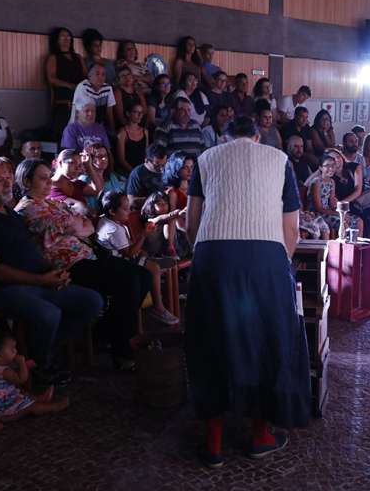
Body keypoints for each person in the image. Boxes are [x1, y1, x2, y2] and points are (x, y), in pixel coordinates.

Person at [185, 116, 310, 467]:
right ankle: (260, 435)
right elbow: (292, 228)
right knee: (267, 338)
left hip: (213, 254)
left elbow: (191, 221)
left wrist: (205, 256)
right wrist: (280, 266)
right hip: (265, 256)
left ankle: (212, 443)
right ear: (257, 137)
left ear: (224, 138)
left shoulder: (207, 158)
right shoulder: (279, 160)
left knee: (210, 339)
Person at [0, 159, 103, 381]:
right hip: (0, 288)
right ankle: (40, 367)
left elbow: (31, 251)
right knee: (49, 314)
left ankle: (38, 353)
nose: (7, 184)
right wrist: (42, 280)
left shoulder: (8, 213)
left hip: (34, 281)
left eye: (8, 178)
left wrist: (54, 271)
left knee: (92, 301)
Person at [14, 159, 151, 366]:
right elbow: (77, 225)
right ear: (26, 181)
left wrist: (74, 225)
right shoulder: (27, 208)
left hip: (88, 256)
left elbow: (87, 226)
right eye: (43, 178)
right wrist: (74, 224)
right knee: (129, 279)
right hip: (66, 266)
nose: (49, 182)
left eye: (49, 177)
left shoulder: (52, 203)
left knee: (144, 276)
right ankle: (121, 350)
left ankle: (104, 331)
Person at [96, 191, 178, 326]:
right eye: (125, 209)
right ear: (112, 211)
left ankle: (157, 301)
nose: (129, 211)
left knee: (149, 259)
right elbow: (129, 253)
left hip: (116, 258)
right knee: (154, 268)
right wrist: (144, 235)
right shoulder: (113, 229)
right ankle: (158, 307)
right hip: (117, 263)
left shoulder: (106, 220)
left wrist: (140, 250)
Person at [0, 331, 70, 422]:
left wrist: (25, 365)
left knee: (23, 393)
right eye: (12, 349)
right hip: (4, 408)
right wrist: (22, 363)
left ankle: (38, 398)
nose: (15, 351)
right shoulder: (5, 371)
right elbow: (22, 379)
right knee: (31, 407)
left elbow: (13, 369)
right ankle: (53, 407)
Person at [48, 149, 101, 215]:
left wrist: (88, 166)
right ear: (61, 163)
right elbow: (80, 207)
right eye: (72, 163)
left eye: (79, 165)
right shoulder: (48, 186)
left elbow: (97, 190)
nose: (77, 169)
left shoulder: (76, 184)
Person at [44, 27, 87, 107]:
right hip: (64, 96)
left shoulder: (78, 57)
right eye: (62, 36)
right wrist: (70, 86)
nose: (66, 39)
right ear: (57, 40)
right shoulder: (53, 57)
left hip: (81, 95)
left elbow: (86, 75)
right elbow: (51, 79)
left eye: (68, 36)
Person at [70, 63, 116, 133]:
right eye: (97, 74)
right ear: (89, 76)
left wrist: (113, 130)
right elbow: (80, 115)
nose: (100, 77)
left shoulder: (108, 88)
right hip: (81, 127)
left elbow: (109, 113)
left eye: (103, 74)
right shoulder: (83, 87)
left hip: (100, 127)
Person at [80, 141, 123, 212]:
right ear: (90, 159)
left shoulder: (111, 176)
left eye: (106, 156)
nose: (104, 159)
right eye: (99, 156)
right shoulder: (84, 178)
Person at [116, 102, 149, 175]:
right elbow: (121, 159)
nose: (140, 115)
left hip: (142, 169)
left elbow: (146, 153)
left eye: (141, 112)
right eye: (136, 112)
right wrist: (134, 172)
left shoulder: (145, 131)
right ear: (128, 114)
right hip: (127, 171)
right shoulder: (122, 132)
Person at [112, 64, 148, 129]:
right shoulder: (117, 93)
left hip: (140, 123)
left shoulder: (138, 91)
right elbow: (120, 116)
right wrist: (131, 128)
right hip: (126, 125)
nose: (127, 77)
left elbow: (145, 110)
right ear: (119, 80)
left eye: (128, 74)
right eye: (123, 76)